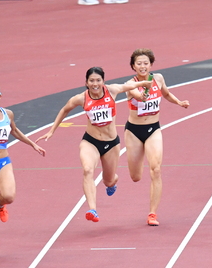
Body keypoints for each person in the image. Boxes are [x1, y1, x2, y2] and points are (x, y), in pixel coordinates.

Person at [36, 67, 150, 223]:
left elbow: (129, 86)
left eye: (98, 80)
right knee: (87, 169)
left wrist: (145, 83)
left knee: (108, 180)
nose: (95, 84)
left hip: (111, 143)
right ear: (86, 82)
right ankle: (92, 209)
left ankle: (112, 183)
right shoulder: (81, 98)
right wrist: (51, 131)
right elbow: (64, 110)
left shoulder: (112, 90)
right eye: (91, 81)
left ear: (103, 81)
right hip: (91, 141)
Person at [0, 84, 46, 258]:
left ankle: (2, 203)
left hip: (3, 161)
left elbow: (14, 131)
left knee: (9, 196)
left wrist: (33, 144)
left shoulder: (8, 114)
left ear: (0, 96)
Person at [124, 49, 189, 227]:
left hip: (153, 129)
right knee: (136, 176)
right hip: (134, 132)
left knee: (156, 170)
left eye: (146, 63)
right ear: (133, 66)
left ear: (151, 64)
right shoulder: (130, 84)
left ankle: (152, 213)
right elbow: (140, 97)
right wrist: (143, 90)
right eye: (139, 63)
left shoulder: (158, 78)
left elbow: (166, 93)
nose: (142, 66)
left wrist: (179, 102)